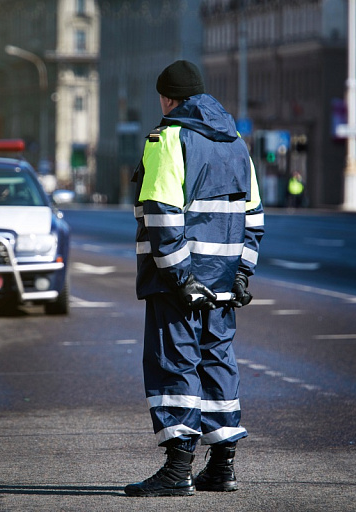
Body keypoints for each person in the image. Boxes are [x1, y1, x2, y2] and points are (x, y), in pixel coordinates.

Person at [125, 60, 264, 497]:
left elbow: (162, 216)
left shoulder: (167, 138)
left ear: (168, 99)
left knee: (174, 365)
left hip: (178, 284)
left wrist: (180, 278)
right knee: (218, 364)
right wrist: (242, 272)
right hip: (223, 281)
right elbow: (253, 217)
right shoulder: (236, 142)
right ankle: (222, 467)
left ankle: (177, 469)